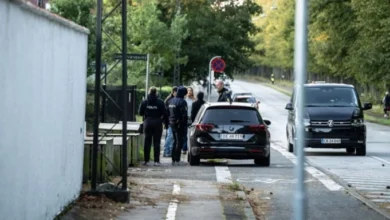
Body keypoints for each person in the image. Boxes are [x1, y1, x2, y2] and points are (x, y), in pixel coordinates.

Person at [138, 87, 168, 166]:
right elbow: (165, 113)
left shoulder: (145, 102)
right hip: (157, 123)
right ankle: (156, 161)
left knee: (147, 141)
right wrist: (164, 122)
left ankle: (146, 160)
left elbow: (140, 113)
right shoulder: (160, 102)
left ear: (149, 92)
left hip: (147, 122)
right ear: (156, 93)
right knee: (157, 142)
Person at [168, 86, 188, 165]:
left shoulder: (171, 101)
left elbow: (168, 112)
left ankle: (173, 158)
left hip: (172, 122)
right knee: (179, 141)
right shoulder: (182, 102)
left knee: (174, 141)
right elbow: (184, 115)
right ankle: (177, 158)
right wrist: (185, 124)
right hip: (180, 124)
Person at [163, 87, 177, 157]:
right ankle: (166, 151)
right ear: (174, 92)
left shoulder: (169, 99)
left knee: (170, 136)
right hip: (170, 121)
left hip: (169, 120)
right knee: (170, 136)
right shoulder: (170, 100)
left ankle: (169, 151)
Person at [182, 87, 197, 154]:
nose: (189, 92)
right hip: (185, 117)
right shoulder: (184, 99)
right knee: (184, 134)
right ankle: (184, 148)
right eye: (188, 90)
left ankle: (190, 148)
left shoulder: (194, 99)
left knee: (191, 133)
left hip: (191, 118)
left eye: (191, 90)